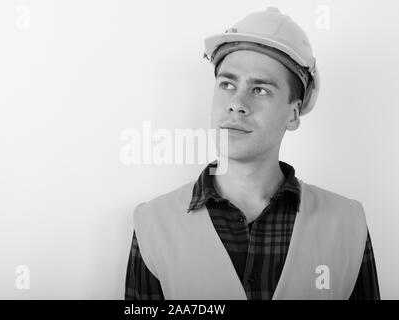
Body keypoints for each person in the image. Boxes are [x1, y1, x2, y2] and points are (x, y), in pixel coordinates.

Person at [125, 7, 380, 300]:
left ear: (294, 114)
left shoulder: (348, 224)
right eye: (227, 84)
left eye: (260, 89)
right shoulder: (153, 225)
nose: (236, 103)